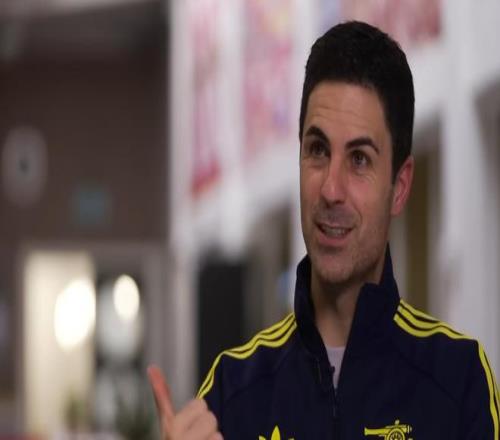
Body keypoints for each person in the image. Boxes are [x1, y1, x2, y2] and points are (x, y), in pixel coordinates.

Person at [148, 20, 500, 439]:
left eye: (360, 159)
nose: (331, 190)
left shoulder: (457, 381)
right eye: (317, 150)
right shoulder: (234, 388)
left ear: (400, 187)